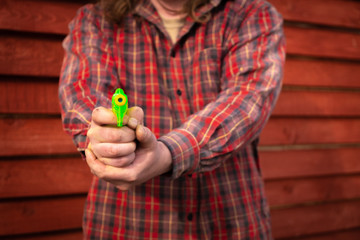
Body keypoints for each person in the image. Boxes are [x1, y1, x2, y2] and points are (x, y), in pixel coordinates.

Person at [59, 0, 285, 238]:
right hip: (125, 223)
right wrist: (104, 136)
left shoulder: (250, 14)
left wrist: (168, 152)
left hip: (230, 221)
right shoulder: (95, 19)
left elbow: (248, 98)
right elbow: (80, 92)